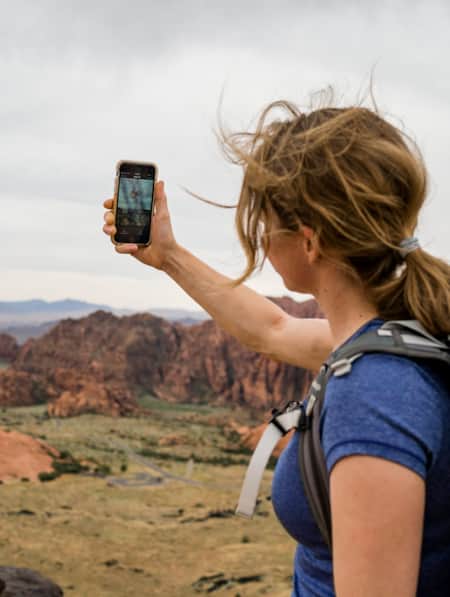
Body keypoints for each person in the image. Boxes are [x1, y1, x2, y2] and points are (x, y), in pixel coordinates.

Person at [102, 97, 450, 596]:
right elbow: (272, 331)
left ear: (309, 242)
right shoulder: (405, 336)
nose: (261, 237)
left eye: (265, 221)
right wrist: (168, 255)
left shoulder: (375, 394)